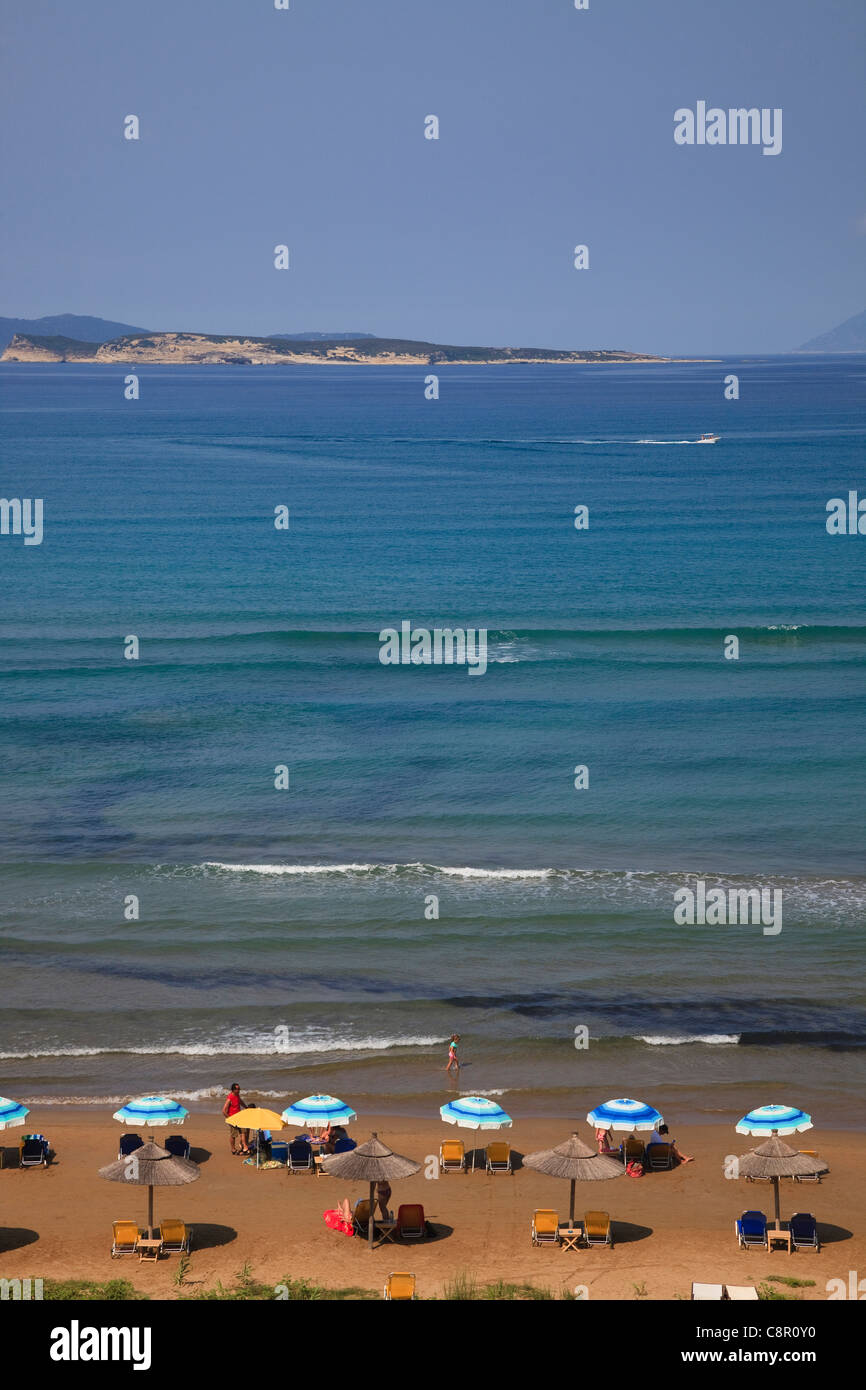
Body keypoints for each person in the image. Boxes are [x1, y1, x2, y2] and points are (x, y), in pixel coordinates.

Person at [222, 1083, 251, 1155]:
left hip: (239, 1117)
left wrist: (246, 1107)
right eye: (237, 1089)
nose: (239, 1090)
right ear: (233, 1090)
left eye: (239, 1089)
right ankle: (233, 1149)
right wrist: (230, 1119)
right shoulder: (230, 1098)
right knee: (233, 1135)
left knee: (243, 1131)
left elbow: (240, 1101)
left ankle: (245, 1147)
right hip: (233, 1119)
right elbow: (224, 1111)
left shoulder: (237, 1095)